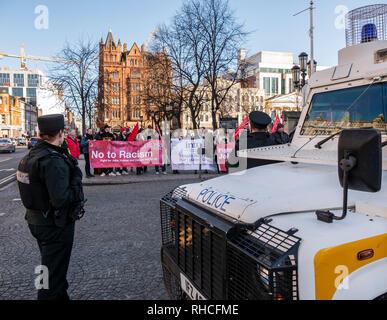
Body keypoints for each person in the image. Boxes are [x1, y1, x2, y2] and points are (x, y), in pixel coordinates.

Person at [17, 114, 85, 300]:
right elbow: (61, 199)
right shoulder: (53, 161)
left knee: (48, 267)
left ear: (41, 132)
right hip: (55, 225)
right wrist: (76, 180)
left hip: (37, 221)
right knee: (53, 277)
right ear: (61, 132)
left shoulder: (33, 155)